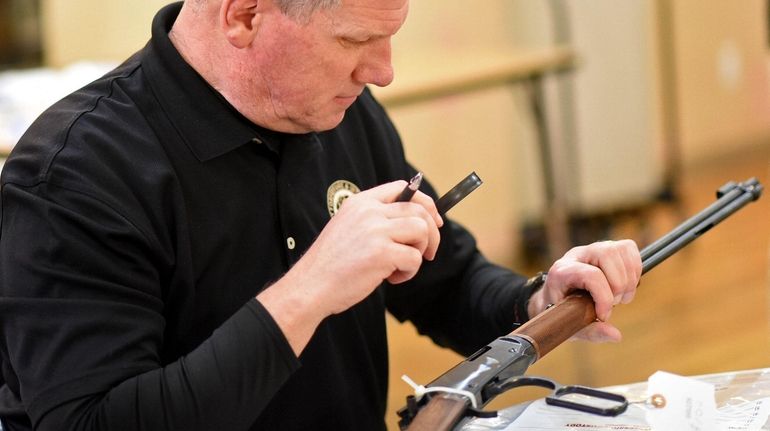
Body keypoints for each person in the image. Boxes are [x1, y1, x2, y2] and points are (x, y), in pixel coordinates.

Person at [0, 0, 642, 430]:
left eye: (390, 38)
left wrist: (536, 300)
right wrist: (311, 287)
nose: (384, 72)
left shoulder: (340, 112)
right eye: (355, 40)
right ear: (245, 15)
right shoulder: (75, 174)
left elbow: (442, 279)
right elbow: (91, 421)